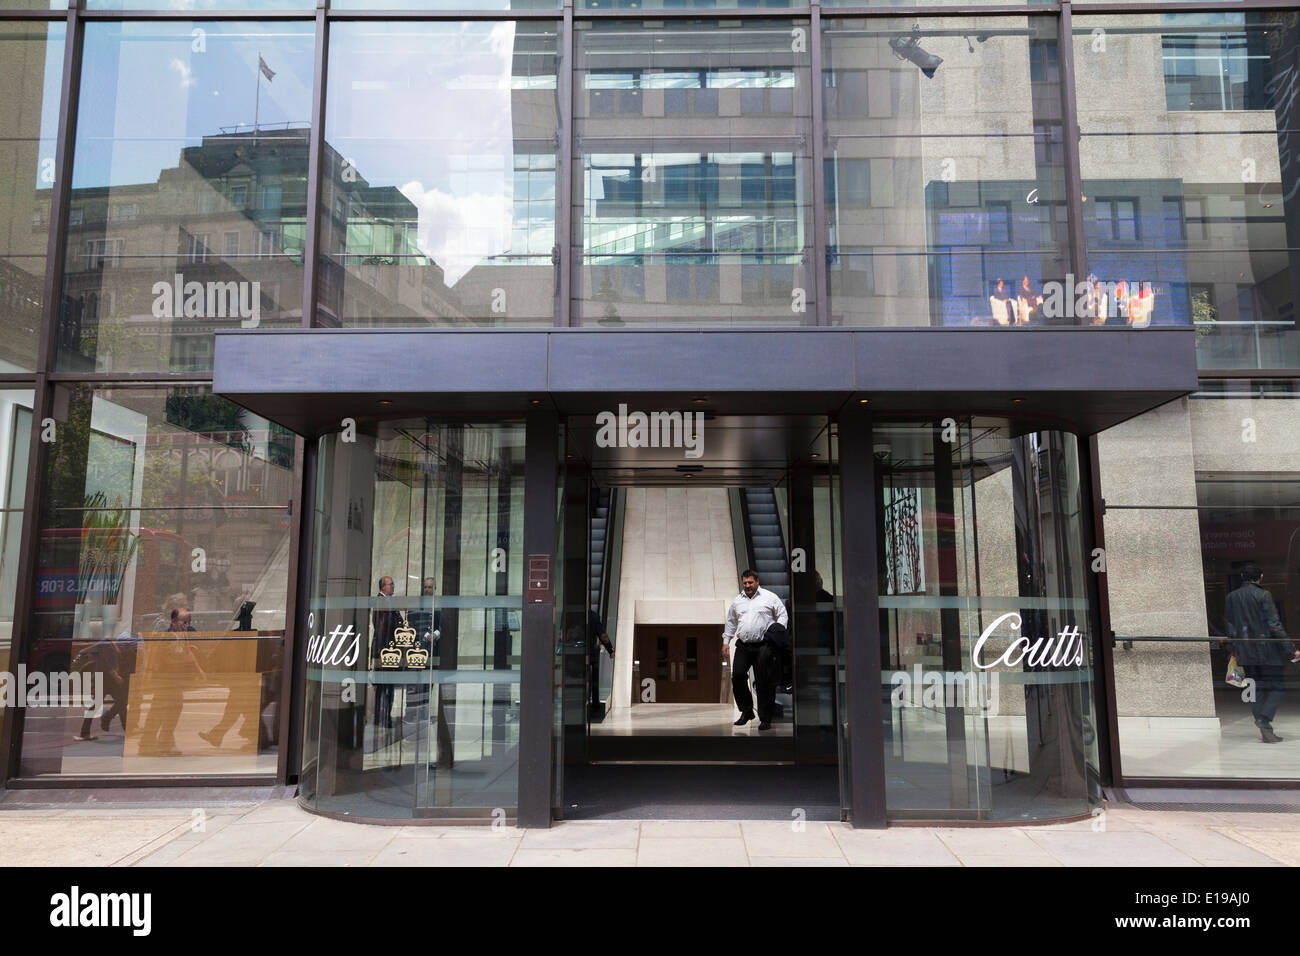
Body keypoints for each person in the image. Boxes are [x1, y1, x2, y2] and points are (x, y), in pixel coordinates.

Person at [1225, 564, 1298, 743]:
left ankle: (1266, 731)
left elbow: (1230, 625)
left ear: (1242, 576)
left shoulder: (1231, 597)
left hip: (1245, 652)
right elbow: (1274, 624)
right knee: (1278, 688)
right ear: (1261, 576)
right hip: (1267, 651)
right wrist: (1290, 649)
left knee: (1256, 689)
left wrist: (1232, 648)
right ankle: (1264, 719)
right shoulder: (1264, 595)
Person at [722, 569, 788, 731]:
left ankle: (765, 718)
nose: (747, 585)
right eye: (745, 583)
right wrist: (726, 642)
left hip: (764, 645)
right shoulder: (738, 601)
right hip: (744, 645)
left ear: (757, 582)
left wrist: (777, 632)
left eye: (750, 582)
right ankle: (746, 711)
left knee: (764, 682)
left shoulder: (769, 597)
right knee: (737, 676)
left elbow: (782, 614)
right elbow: (731, 622)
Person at [371, 575, 405, 729]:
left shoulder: (389, 602)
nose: (393, 586)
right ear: (383, 587)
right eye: (390, 584)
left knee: (384, 687)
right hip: (385, 652)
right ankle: (384, 718)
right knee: (385, 687)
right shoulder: (382, 602)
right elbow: (382, 629)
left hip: (385, 651)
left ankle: (381, 717)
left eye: (393, 584)